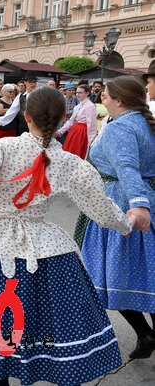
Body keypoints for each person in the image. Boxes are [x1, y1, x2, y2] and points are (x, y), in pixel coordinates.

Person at [0, 86, 134, 386]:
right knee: (41, 315)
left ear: (26, 116)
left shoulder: (3, 148)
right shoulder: (70, 163)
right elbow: (100, 207)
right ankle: (38, 364)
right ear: (63, 117)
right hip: (44, 243)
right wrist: (127, 224)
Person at [79, 75, 155, 360]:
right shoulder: (141, 123)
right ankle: (147, 335)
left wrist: (138, 206)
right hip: (140, 200)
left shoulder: (121, 128)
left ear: (119, 100)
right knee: (148, 275)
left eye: (106, 96)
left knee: (110, 275)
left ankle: (146, 334)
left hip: (122, 208)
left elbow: (127, 169)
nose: (103, 100)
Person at [56, 83, 97, 159]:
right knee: (70, 153)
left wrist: (92, 141)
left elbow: (91, 125)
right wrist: (60, 131)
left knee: (79, 154)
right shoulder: (78, 106)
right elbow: (71, 121)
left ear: (87, 93)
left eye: (80, 92)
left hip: (83, 132)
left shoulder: (90, 106)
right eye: (77, 92)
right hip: (75, 131)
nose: (77, 94)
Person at [0, 71, 37, 136]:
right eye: (30, 82)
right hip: (23, 127)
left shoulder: (40, 95)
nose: (33, 84)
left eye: (34, 82)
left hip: (37, 128)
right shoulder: (20, 96)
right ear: (25, 83)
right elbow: (12, 111)